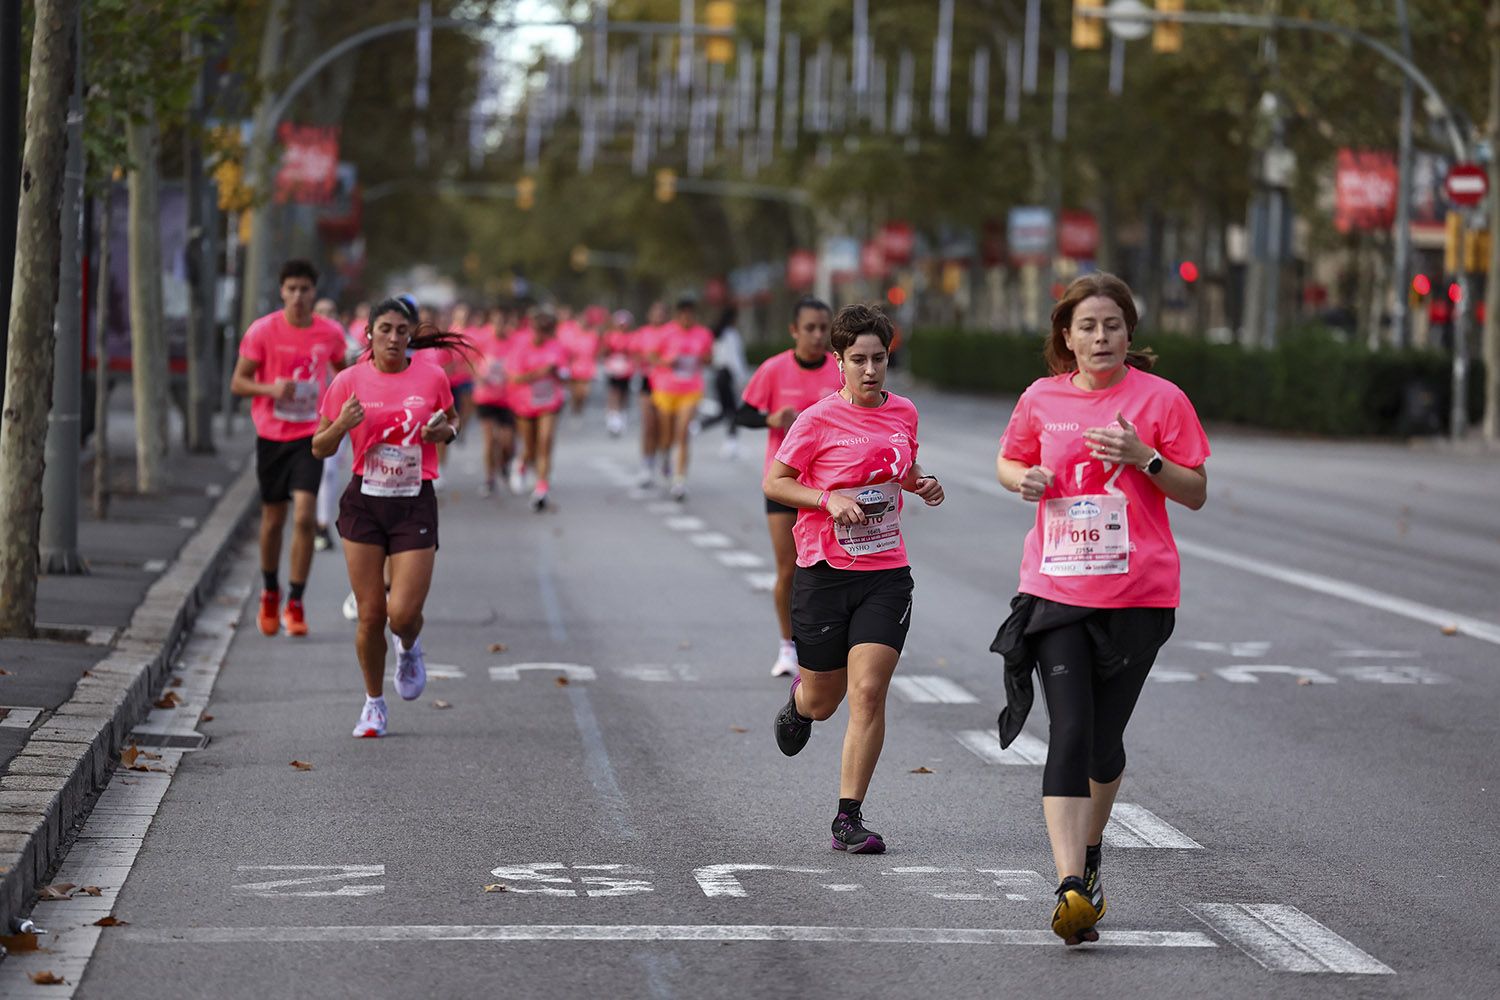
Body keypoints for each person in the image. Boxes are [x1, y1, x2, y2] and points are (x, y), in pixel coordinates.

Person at [992, 272, 1209, 946]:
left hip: (1139, 596)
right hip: (1057, 592)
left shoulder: (1162, 400)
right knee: (1069, 731)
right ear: (1067, 336)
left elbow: (1195, 490)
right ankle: (1067, 886)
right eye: (1087, 326)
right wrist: (1021, 479)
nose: (1100, 336)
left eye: (1112, 324)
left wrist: (1145, 458)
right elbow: (1009, 460)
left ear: (1129, 332)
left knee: (1104, 746)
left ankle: (1089, 855)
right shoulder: (1042, 398)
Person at [765, 303, 944, 854]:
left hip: (884, 573)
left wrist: (922, 483)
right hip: (823, 572)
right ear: (838, 362)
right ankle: (800, 703)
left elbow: (900, 466)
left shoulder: (905, 412)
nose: (870, 371)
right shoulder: (816, 420)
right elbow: (776, 482)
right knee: (826, 700)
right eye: (858, 360)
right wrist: (826, 498)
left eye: (880, 359)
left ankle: (849, 817)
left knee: (868, 692)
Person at [311, 297, 466, 738]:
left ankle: (410, 646)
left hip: (414, 500)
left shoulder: (432, 377)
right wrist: (341, 424)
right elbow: (319, 447)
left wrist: (445, 432)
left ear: (411, 334)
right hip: (365, 501)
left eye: (402, 330)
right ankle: (373, 705)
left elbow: (452, 420)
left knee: (401, 615)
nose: (394, 338)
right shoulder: (348, 380)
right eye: (385, 330)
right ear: (370, 335)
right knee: (370, 614)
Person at [231, 259, 349, 638]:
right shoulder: (263, 331)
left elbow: (343, 373)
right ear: (282, 291)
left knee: (303, 516)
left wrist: (339, 406)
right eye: (292, 288)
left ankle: (295, 601)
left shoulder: (329, 332)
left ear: (315, 293)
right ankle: (269, 590)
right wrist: (271, 389)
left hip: (309, 435)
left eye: (305, 289)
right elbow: (239, 382)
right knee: (274, 520)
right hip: (271, 435)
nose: (299, 295)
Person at [736, 297, 839, 677]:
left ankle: (825, 644)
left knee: (830, 571)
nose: (817, 335)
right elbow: (742, 413)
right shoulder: (774, 369)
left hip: (830, 488)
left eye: (823, 328)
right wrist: (770, 418)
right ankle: (787, 646)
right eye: (809, 328)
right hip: (783, 485)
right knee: (789, 569)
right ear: (794, 330)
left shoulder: (840, 371)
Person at [649, 298, 714, 501]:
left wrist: (702, 358)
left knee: (683, 432)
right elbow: (651, 356)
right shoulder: (666, 333)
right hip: (665, 389)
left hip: (691, 390)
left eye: (690, 314)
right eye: (683, 314)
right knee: (667, 434)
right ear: (678, 315)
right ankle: (666, 455)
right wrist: (667, 362)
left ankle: (679, 480)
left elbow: (709, 358)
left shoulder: (703, 334)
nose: (687, 318)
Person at [509, 307, 568, 511]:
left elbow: (564, 374)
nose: (542, 334)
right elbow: (515, 378)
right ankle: (522, 463)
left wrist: (558, 373)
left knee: (545, 443)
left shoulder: (556, 347)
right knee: (530, 448)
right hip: (525, 404)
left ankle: (541, 489)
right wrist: (540, 372)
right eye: (539, 329)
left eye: (547, 330)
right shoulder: (520, 347)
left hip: (549, 403)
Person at [473, 305, 518, 498]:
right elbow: (470, 363)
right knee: (490, 440)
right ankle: (489, 478)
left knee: (507, 442)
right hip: (486, 397)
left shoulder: (515, 343)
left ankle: (505, 463)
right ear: (491, 323)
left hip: (509, 398)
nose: (499, 326)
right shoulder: (482, 340)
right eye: (496, 322)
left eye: (503, 322)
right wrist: (478, 376)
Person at [697, 306, 750, 460]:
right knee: (732, 411)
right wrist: (742, 380)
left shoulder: (716, 334)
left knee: (725, 411)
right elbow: (735, 359)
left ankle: (698, 427)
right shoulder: (731, 334)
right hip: (727, 374)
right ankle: (731, 443)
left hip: (718, 374)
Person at [634, 302, 669, 488]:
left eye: (661, 313)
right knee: (649, 425)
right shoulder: (642, 333)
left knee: (664, 427)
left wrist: (659, 358)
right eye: (655, 313)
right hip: (648, 381)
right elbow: (636, 355)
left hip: (667, 385)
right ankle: (646, 464)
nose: (658, 317)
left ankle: (665, 457)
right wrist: (647, 358)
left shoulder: (671, 333)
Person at [601, 309, 636, 436]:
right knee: (613, 391)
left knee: (624, 392)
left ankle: (622, 413)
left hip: (626, 369)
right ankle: (613, 416)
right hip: (613, 368)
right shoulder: (610, 335)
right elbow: (604, 351)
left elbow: (634, 352)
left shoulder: (631, 336)